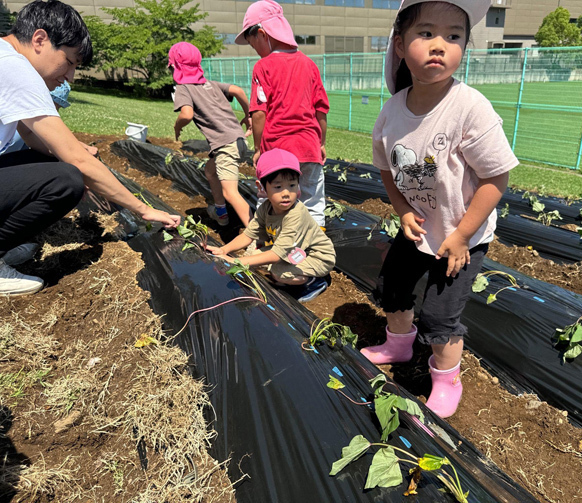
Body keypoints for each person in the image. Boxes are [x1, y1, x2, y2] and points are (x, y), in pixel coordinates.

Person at [360, 0, 519, 419]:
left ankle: (447, 379)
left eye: (453, 36)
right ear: (399, 44)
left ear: (465, 45)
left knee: (440, 316)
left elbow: (495, 179)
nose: (439, 45)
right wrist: (401, 211)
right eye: (426, 33)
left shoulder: (470, 108)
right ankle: (397, 343)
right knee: (393, 287)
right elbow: (386, 169)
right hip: (418, 228)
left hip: (462, 235)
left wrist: (463, 235)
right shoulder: (392, 111)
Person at [0, 0, 180, 297]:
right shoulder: (13, 68)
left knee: (48, 163)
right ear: (40, 40)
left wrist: (71, 148)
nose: (70, 76)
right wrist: (144, 210)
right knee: (66, 180)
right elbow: (76, 164)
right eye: (70, 61)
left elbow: (30, 135)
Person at [235, 0, 330, 228]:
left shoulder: (263, 67)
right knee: (312, 201)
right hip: (308, 147)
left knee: (269, 199)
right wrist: (321, 143)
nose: (255, 50)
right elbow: (321, 109)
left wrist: (258, 149)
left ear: (261, 34)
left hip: (277, 150)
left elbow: (258, 112)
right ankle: (313, 249)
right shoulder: (309, 65)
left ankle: (267, 246)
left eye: (252, 43)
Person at [206, 149, 335, 303]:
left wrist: (235, 262)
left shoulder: (296, 215)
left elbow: (276, 255)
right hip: (294, 251)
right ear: (261, 187)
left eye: (292, 185)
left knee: (279, 273)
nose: (286, 193)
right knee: (251, 256)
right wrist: (224, 249)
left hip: (317, 255)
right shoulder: (266, 208)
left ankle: (314, 282)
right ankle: (296, 277)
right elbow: (248, 235)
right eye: (278, 187)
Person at [169, 42, 253, 228]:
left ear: (174, 67)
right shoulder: (211, 84)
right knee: (210, 170)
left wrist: (177, 127)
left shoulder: (184, 88)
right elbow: (238, 91)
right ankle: (220, 212)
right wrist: (248, 116)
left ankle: (258, 236)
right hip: (238, 140)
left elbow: (187, 114)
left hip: (225, 146)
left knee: (231, 193)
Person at [6, 80, 99, 156]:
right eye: (54, 107)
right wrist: (84, 149)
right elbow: (50, 144)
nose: (56, 113)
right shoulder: (22, 126)